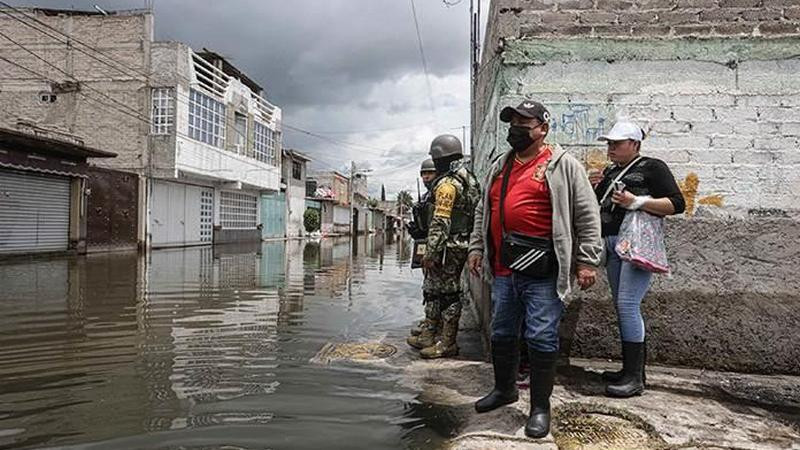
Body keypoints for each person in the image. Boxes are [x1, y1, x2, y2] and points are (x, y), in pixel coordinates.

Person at [468, 100, 602, 438]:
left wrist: (587, 259)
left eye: (523, 122)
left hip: (543, 270)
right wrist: (476, 247)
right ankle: (504, 389)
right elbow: (484, 210)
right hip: (502, 268)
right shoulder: (501, 165)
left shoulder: (563, 166)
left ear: (542, 128)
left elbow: (587, 215)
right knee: (502, 331)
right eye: (512, 121)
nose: (515, 127)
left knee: (541, 334)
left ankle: (540, 408)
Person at [590, 120, 685, 398]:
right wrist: (595, 186)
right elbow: (605, 205)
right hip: (612, 245)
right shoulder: (611, 171)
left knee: (628, 304)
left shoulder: (653, 167)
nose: (611, 148)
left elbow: (677, 204)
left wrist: (638, 202)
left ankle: (634, 379)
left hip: (636, 244)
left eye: (617, 144)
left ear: (635, 144)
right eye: (609, 143)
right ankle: (631, 371)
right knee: (622, 307)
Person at [413, 135, 480, 359]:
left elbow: (440, 220)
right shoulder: (468, 178)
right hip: (460, 243)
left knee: (443, 293)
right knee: (440, 290)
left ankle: (446, 342)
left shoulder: (447, 184)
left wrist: (430, 253)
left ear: (441, 157)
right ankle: (431, 334)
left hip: (447, 246)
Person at [406, 158, 440, 344]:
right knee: (429, 286)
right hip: (426, 244)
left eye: (430, 173)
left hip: (439, 247)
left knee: (437, 290)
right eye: (423, 173)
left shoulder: (441, 192)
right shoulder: (427, 196)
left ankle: (436, 329)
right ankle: (430, 323)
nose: (426, 177)